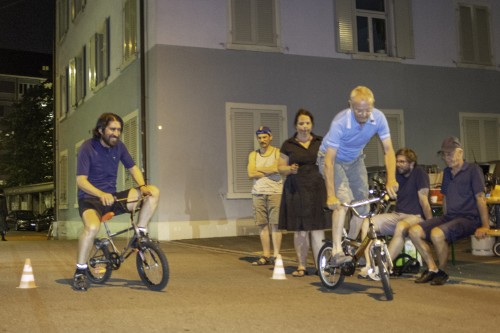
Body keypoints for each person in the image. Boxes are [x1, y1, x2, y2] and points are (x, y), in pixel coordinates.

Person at [73, 113, 160, 291]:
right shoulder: (87, 148)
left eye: (119, 130)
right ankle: (80, 272)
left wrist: (142, 186)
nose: (116, 133)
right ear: (100, 130)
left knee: (153, 192)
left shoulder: (119, 147)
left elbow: (133, 167)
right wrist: (100, 193)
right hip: (90, 199)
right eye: (112, 129)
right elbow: (81, 180)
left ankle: (140, 233)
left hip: (112, 198)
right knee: (91, 228)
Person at [319, 86, 398, 266]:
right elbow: (329, 162)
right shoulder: (340, 122)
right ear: (350, 105)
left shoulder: (379, 118)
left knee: (363, 208)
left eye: (367, 110)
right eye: (358, 110)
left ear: (373, 106)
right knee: (342, 202)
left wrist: (391, 179)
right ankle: (337, 251)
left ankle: (350, 245)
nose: (363, 114)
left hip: (355, 160)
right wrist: (331, 194)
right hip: (332, 160)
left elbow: (388, 150)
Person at [408, 136, 490, 285]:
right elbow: (445, 197)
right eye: (444, 155)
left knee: (437, 234)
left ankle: (442, 271)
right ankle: (432, 268)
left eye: (450, 154)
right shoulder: (446, 172)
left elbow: (480, 198)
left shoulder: (473, 170)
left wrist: (485, 225)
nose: (447, 158)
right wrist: (443, 218)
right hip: (450, 217)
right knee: (413, 231)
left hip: (469, 219)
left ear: (460, 153)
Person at [358, 148, 433, 279]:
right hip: (398, 215)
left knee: (401, 226)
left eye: (402, 162)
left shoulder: (419, 173)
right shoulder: (397, 174)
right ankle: (369, 266)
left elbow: (424, 200)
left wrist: (430, 223)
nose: (398, 164)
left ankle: (384, 268)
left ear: (412, 163)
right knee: (368, 223)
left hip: (416, 216)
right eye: (397, 161)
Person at [278, 109, 331, 277]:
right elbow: (280, 168)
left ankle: (320, 266)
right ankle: (301, 265)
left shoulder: (320, 142)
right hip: (296, 190)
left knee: (317, 229)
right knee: (300, 230)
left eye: (307, 123)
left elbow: (329, 163)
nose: (304, 126)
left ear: (312, 125)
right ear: (296, 125)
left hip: (317, 188)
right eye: (301, 123)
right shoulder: (288, 144)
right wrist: (289, 169)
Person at [247, 126, 283, 265]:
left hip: (275, 192)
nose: (262, 140)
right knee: (262, 225)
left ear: (270, 137)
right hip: (258, 192)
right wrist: (269, 170)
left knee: (275, 224)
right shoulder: (253, 155)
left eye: (265, 137)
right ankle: (266, 255)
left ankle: (276, 255)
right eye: (260, 138)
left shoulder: (277, 152)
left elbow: (277, 168)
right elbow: (251, 173)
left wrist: (259, 170)